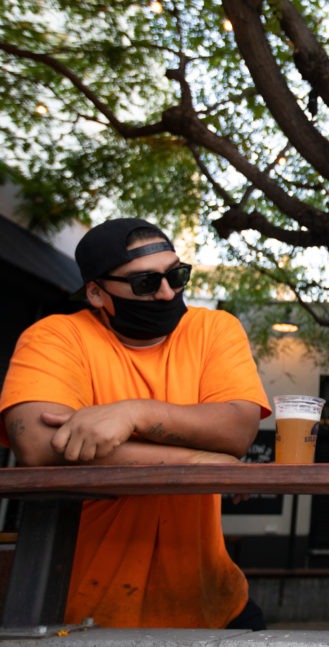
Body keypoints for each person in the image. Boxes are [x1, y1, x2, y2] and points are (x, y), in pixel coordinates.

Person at [0, 218, 271, 629]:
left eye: (176, 276)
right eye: (146, 283)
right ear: (96, 292)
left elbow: (236, 430)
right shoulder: (55, 337)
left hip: (212, 601)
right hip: (82, 607)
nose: (167, 293)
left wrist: (132, 414)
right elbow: (39, 446)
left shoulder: (214, 329)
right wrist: (196, 461)